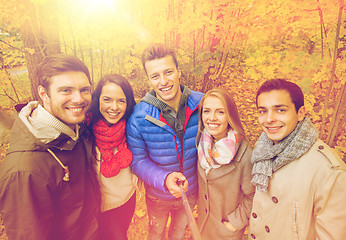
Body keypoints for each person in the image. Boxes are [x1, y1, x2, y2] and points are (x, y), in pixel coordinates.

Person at [0, 54, 100, 240]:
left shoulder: (75, 131)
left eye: (84, 89)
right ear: (43, 93)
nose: (79, 99)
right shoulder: (24, 171)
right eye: (66, 90)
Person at [248, 79, 346, 239]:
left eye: (280, 110)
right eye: (262, 111)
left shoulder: (329, 171)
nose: (269, 119)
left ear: (300, 113)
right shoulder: (262, 151)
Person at [126, 43, 203, 240]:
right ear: (149, 79)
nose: (163, 81)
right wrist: (164, 179)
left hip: (192, 191)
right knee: (156, 233)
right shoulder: (138, 117)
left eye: (168, 72)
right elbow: (137, 161)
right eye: (155, 76)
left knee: (178, 232)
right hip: (158, 195)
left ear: (178, 71)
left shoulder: (203, 104)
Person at [196, 88, 254, 239]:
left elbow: (254, 196)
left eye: (220, 112)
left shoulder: (244, 154)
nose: (212, 118)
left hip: (225, 232)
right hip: (203, 227)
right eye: (207, 111)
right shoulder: (202, 144)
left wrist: (234, 222)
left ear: (230, 115)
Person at [87, 74, 137, 240]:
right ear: (98, 99)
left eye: (121, 101)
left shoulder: (132, 126)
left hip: (126, 200)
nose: (114, 107)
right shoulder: (84, 129)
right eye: (107, 99)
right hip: (96, 205)